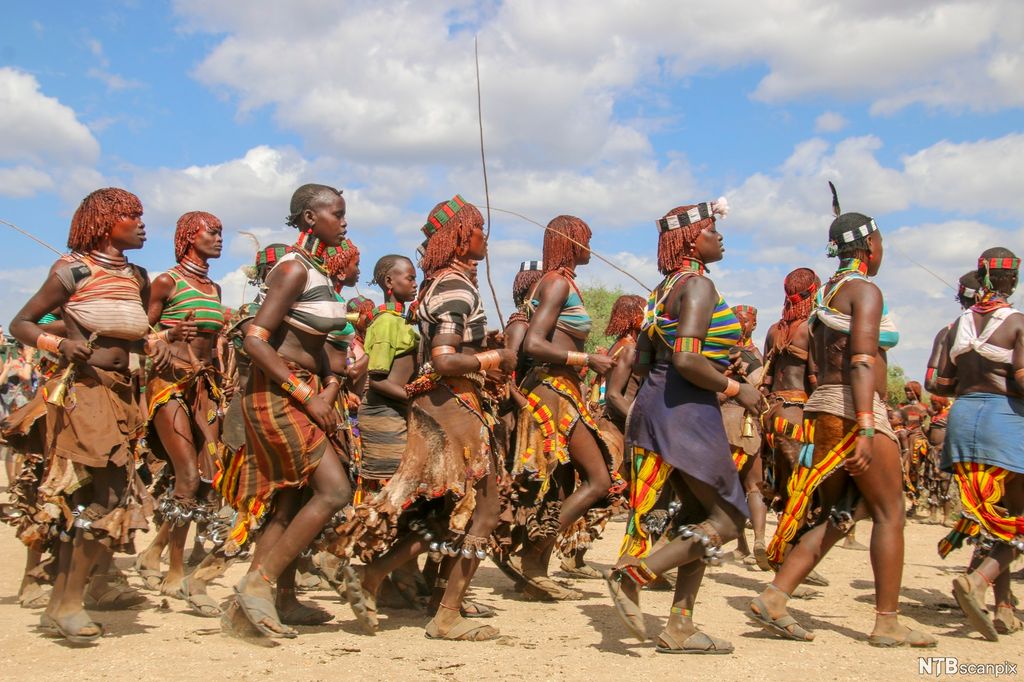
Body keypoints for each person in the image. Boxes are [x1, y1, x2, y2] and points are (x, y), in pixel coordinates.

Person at [750, 187, 935, 647]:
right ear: (869, 245)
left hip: (822, 408)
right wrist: (870, 427)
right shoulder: (864, 291)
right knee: (892, 513)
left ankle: (775, 596)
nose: (883, 251)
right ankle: (887, 621)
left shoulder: (826, 296)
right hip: (856, 409)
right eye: (881, 243)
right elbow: (861, 360)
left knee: (837, 513)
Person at [335, 195, 515, 641]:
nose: (483, 237)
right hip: (455, 408)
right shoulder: (455, 286)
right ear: (459, 236)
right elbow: (445, 359)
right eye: (477, 228)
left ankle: (376, 577)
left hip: (442, 407)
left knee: (443, 514)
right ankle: (446, 615)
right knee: (487, 510)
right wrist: (498, 356)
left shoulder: (438, 284)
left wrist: (481, 344)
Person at [10, 188, 167, 643]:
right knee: (112, 492)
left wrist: (153, 344)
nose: (141, 224)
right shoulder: (71, 269)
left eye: (141, 215)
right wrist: (59, 344)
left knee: (90, 499)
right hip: (83, 391)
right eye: (131, 216)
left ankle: (61, 602)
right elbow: (20, 323)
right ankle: (71, 600)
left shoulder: (137, 275)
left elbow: (131, 334)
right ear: (104, 221)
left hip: (122, 394)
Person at [605, 197, 759, 654]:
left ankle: (680, 625)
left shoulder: (660, 292)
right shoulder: (697, 287)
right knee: (731, 518)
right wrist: (737, 389)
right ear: (693, 238)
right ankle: (633, 574)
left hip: (657, 403)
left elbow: (655, 360)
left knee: (696, 518)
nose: (721, 237)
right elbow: (689, 359)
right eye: (714, 230)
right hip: (686, 410)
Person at [221, 183, 353, 638]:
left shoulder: (316, 272)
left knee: (290, 501)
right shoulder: (294, 269)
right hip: (276, 395)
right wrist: (307, 394)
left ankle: (271, 600)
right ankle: (258, 584)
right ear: (310, 219)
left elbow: (317, 348)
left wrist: (333, 382)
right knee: (335, 491)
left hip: (303, 393)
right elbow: (254, 339)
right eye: (337, 213)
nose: (344, 221)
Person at [511, 215, 623, 600]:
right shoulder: (557, 282)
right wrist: (586, 359)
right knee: (598, 480)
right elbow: (534, 345)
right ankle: (531, 557)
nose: (590, 247)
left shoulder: (560, 282)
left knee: (559, 484)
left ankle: (535, 573)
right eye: (585, 239)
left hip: (561, 390)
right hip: (555, 392)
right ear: (570, 241)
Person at [134, 211, 227, 616]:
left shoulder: (215, 288)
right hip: (169, 384)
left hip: (205, 387)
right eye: (213, 232)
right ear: (191, 236)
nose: (220, 239)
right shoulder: (167, 282)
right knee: (187, 474)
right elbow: (140, 334)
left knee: (204, 477)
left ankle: (153, 551)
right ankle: (176, 570)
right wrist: (170, 335)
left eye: (222, 232)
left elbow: (215, 342)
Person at [932, 248, 1023, 641]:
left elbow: (940, 384)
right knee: (1017, 518)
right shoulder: (1017, 323)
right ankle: (978, 581)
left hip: (963, 421)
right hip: (1004, 423)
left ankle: (1004, 608)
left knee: (998, 514)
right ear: (1014, 281)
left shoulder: (955, 327)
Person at [721, 304, 769, 569]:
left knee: (750, 485)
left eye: (746, 321)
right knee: (748, 486)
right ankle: (747, 543)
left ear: (754, 324)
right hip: (732, 418)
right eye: (738, 320)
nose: (742, 324)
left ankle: (755, 543)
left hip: (744, 421)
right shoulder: (727, 352)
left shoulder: (748, 354)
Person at [901, 380, 930, 518]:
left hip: (916, 441)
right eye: (906, 390)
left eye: (910, 390)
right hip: (903, 439)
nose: (908, 393)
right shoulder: (902, 407)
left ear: (917, 392)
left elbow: (916, 423)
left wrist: (908, 430)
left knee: (914, 471)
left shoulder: (923, 408)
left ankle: (914, 505)